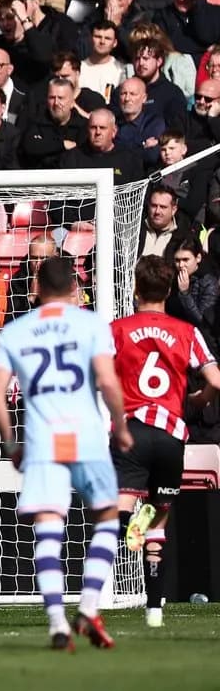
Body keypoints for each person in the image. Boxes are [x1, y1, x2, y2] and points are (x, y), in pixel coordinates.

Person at [0, 257, 133, 651]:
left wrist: (12, 444)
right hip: (85, 436)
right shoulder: (90, 324)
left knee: (48, 529)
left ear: (36, 288)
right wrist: (120, 426)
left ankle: (56, 621)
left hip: (43, 439)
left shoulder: (15, 331)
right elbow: (106, 380)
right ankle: (87, 605)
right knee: (106, 516)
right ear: (74, 287)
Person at [110, 256, 220, 628]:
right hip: (172, 434)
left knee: (122, 505)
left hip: (133, 429)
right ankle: (154, 611)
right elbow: (216, 380)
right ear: (170, 290)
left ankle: (128, 527)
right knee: (159, 515)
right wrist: (199, 400)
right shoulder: (187, 331)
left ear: (136, 289)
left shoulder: (118, 330)